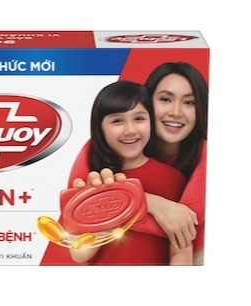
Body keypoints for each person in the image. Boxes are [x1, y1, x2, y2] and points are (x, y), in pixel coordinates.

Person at [66, 62, 208, 265]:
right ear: (99, 128)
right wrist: (105, 211)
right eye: (117, 121)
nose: (130, 130)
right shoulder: (96, 178)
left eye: (139, 119)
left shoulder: (173, 178)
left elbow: (182, 241)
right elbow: (78, 253)